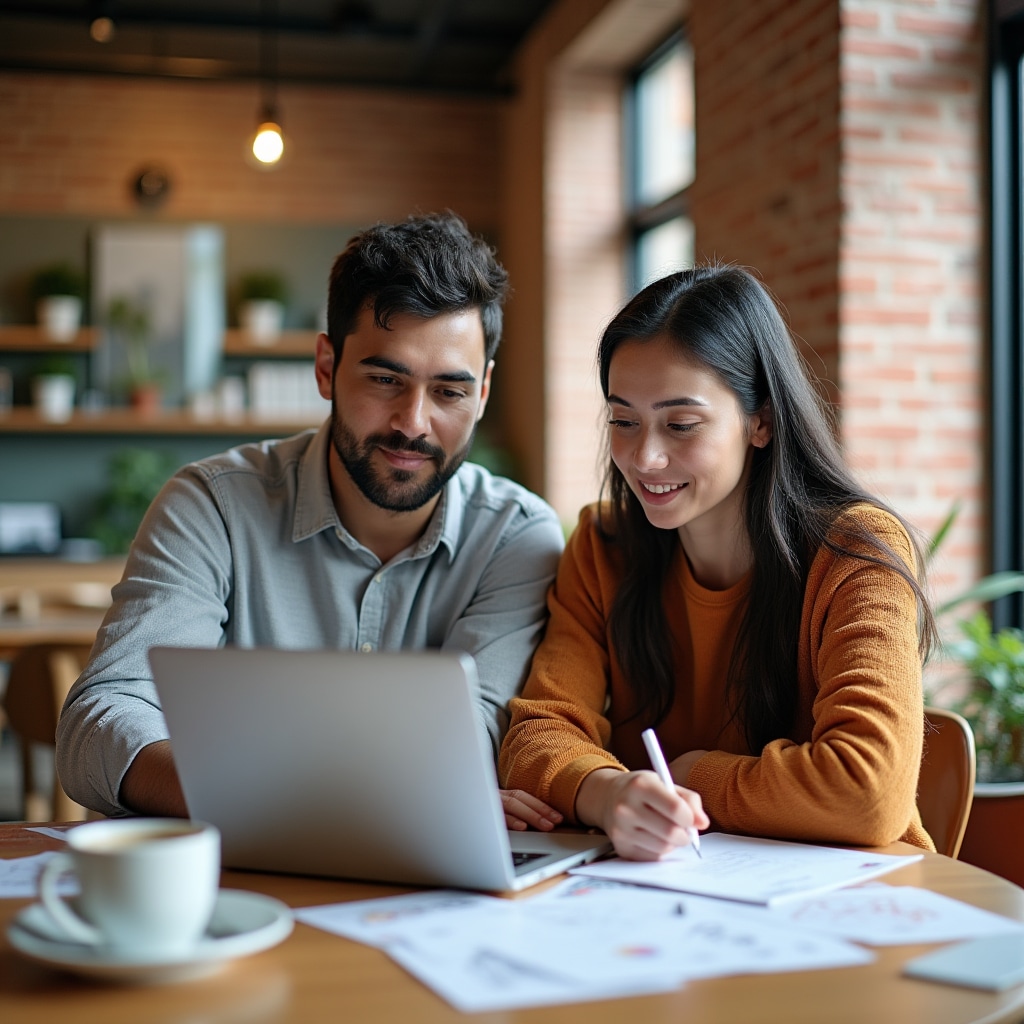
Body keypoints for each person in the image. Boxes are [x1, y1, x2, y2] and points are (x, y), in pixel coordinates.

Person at [57, 211, 565, 831]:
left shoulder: (515, 538)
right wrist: (305, 798)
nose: (413, 423)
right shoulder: (212, 506)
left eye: (449, 392)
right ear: (326, 367)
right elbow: (100, 724)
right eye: (385, 379)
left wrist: (292, 792)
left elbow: (477, 735)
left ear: (482, 392)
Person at [499, 264, 937, 861]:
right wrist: (606, 792)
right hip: (668, 891)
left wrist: (692, 776)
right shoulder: (605, 546)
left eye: (681, 425)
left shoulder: (855, 551)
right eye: (623, 421)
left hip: (861, 894)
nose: (645, 457)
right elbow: (538, 733)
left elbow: (867, 792)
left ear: (762, 421)